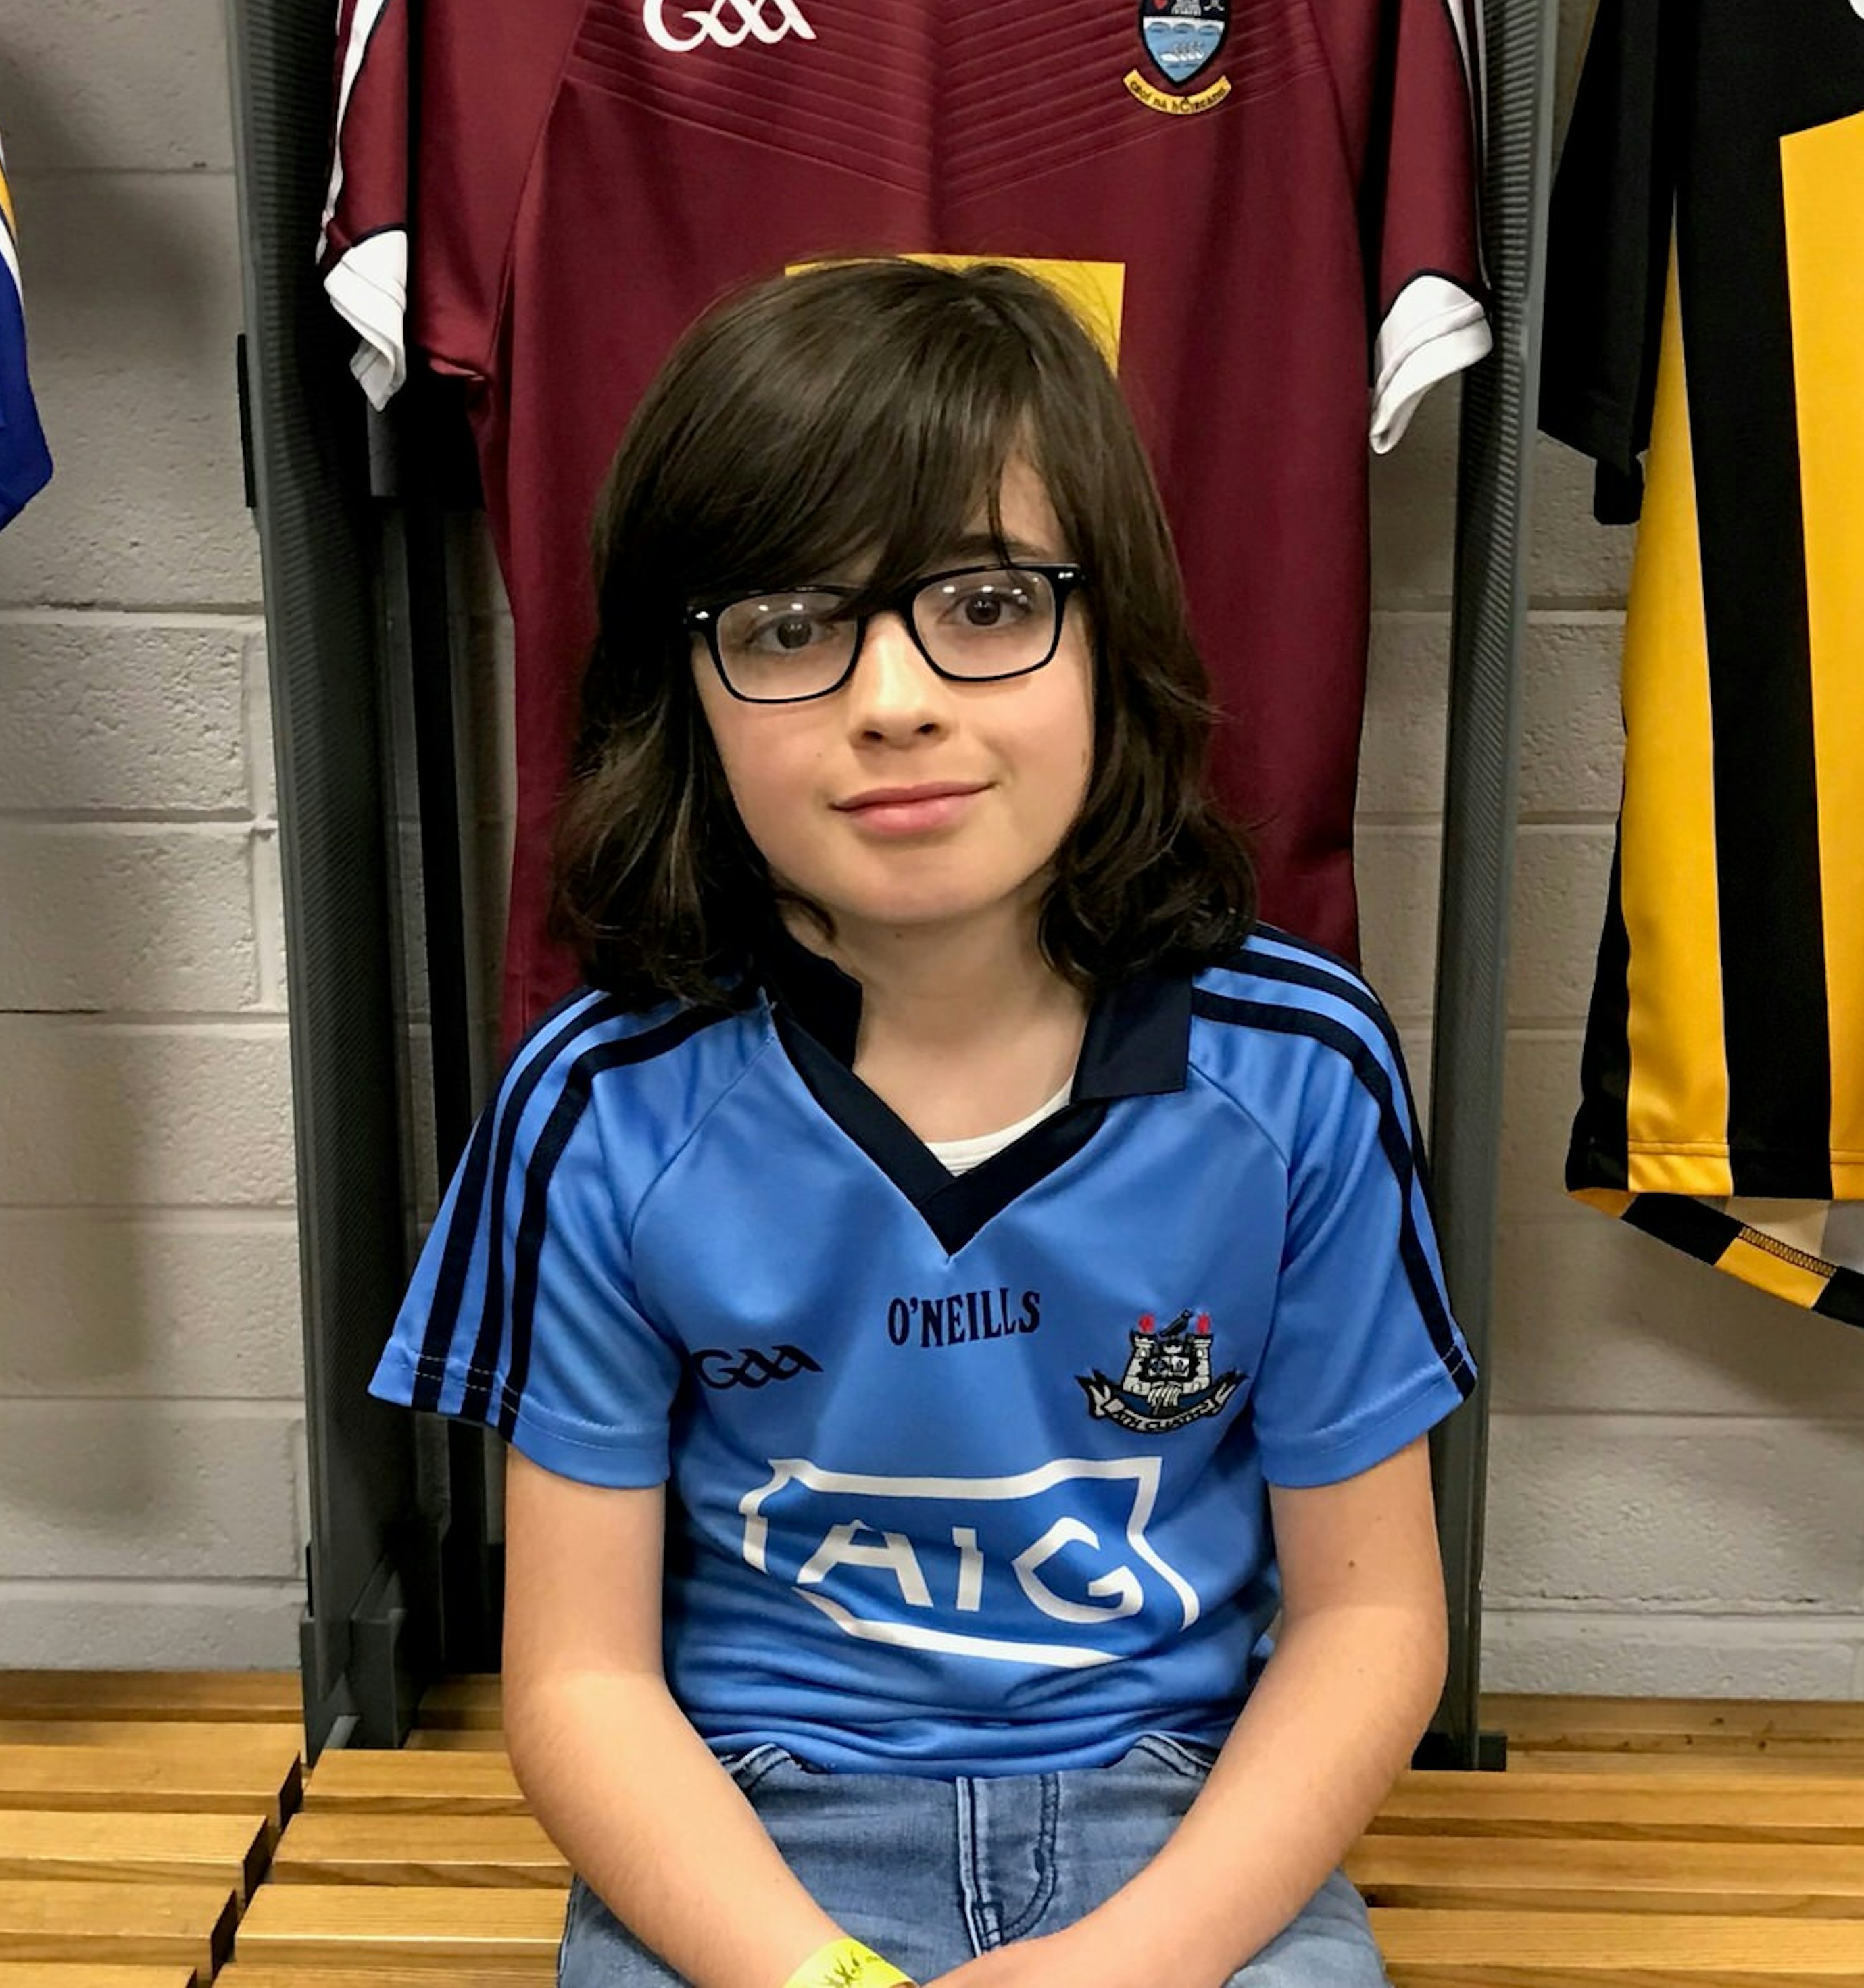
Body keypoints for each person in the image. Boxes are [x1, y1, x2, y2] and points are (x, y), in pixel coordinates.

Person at [369, 258, 1477, 1988]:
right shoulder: (599, 1104)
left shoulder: (1294, 1075)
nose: (894, 698)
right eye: (793, 625)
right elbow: (580, 1680)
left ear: (1111, 634)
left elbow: (1373, 1618)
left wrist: (1128, 1963)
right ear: (691, 697)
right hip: (746, 1844)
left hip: (1176, 1830)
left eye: (980, 601)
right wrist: (814, 1981)